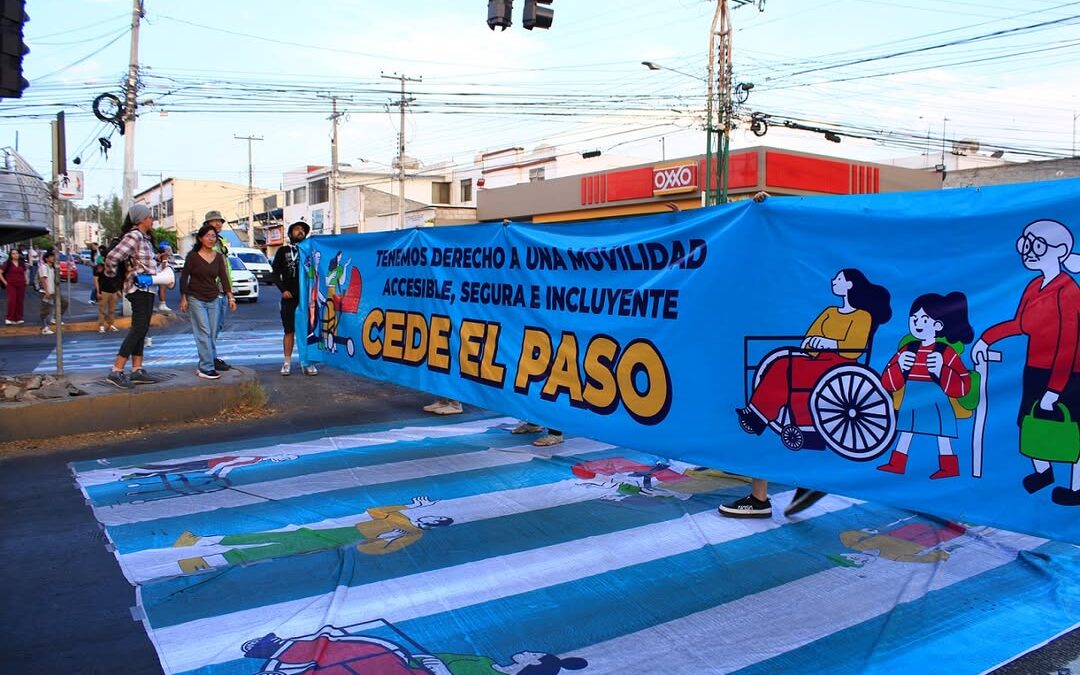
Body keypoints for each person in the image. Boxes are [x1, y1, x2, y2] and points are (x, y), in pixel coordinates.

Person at [972, 218, 1080, 506]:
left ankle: (1076, 486)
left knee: (1069, 428)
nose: (1029, 251)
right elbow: (1021, 324)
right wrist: (986, 339)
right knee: (1029, 423)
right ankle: (1043, 473)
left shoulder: (1068, 291)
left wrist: (1055, 390)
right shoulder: (1034, 286)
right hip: (1035, 367)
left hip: (1068, 372)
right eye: (1026, 244)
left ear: (1059, 251)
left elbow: (1069, 344)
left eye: (1038, 245)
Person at [878, 292, 974, 479]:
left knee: (942, 434)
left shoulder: (945, 351)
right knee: (906, 430)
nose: (917, 323)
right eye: (914, 318)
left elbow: (964, 384)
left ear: (938, 325)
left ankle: (949, 467)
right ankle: (897, 463)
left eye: (924, 319)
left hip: (936, 396)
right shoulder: (908, 349)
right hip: (913, 395)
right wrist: (899, 367)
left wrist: (941, 370)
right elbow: (887, 383)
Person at [103, 203, 169, 389]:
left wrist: (157, 259)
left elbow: (141, 261)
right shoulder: (134, 236)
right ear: (140, 219)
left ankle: (137, 370)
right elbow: (112, 257)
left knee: (142, 329)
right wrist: (111, 276)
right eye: (149, 216)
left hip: (147, 288)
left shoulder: (144, 238)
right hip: (138, 288)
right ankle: (116, 370)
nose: (152, 219)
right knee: (139, 329)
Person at [179, 223, 236, 379]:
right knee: (203, 331)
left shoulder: (217, 257)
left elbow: (224, 278)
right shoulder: (192, 256)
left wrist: (230, 296)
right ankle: (206, 367)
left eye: (213, 236)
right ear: (200, 238)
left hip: (214, 298)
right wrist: (183, 297)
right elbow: (184, 277)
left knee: (211, 333)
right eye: (208, 236)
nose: (211, 239)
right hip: (195, 298)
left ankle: (205, 363)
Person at [271, 220, 318, 376]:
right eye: (297, 229)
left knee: (308, 331)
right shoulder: (283, 251)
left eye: (303, 230)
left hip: (307, 298)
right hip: (289, 297)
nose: (300, 232)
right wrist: (283, 290)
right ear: (290, 234)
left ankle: (308, 363)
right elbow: (275, 273)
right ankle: (286, 363)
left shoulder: (310, 251)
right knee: (289, 331)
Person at [204, 210, 232, 372]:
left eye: (220, 221)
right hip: (211, 290)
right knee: (211, 327)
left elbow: (226, 266)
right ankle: (209, 360)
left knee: (218, 325)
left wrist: (229, 290)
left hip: (223, 289)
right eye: (214, 221)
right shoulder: (205, 242)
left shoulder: (222, 241)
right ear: (207, 224)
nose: (218, 224)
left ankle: (212, 357)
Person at [37, 248, 69, 335]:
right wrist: (46, 291)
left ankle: (55, 319)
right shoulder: (44, 267)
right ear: (46, 258)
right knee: (45, 310)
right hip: (45, 292)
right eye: (51, 257)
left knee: (64, 303)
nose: (53, 258)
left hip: (53, 291)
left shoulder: (53, 268)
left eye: (53, 256)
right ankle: (44, 327)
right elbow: (43, 279)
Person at [1, 247, 28, 324]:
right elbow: (0, 273)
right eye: (13, 253)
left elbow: (24, 272)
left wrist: (26, 280)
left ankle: (18, 318)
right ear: (10, 255)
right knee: (12, 301)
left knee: (20, 301)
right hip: (11, 285)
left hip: (21, 284)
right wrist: (5, 282)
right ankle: (9, 318)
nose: (15, 255)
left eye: (16, 253)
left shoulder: (22, 263)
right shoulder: (7, 263)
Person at [93, 261, 120, 333]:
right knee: (102, 309)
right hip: (104, 291)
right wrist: (98, 292)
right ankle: (101, 325)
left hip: (113, 291)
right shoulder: (100, 268)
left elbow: (117, 280)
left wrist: (118, 290)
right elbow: (96, 280)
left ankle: (111, 324)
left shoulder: (115, 268)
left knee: (112, 310)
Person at [156, 241, 174, 313]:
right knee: (162, 288)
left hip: (160, 270)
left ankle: (162, 304)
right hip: (162, 271)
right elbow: (164, 262)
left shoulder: (161, 255)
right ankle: (162, 304)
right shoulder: (165, 255)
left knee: (162, 288)